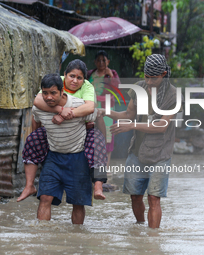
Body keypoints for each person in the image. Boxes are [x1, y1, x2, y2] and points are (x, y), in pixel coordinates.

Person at [100, 54, 178, 228]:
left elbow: (161, 126)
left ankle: (152, 239)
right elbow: (128, 115)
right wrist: (104, 111)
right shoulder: (138, 88)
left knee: (153, 197)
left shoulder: (173, 95)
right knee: (135, 196)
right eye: (146, 77)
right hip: (137, 151)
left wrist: (132, 126)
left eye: (153, 78)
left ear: (164, 74)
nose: (149, 82)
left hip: (160, 154)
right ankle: (140, 228)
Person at [17, 59, 107, 202]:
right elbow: (38, 101)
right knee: (33, 139)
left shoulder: (87, 87)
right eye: (72, 76)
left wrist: (65, 116)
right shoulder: (55, 82)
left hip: (82, 126)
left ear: (84, 80)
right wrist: (61, 110)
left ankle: (98, 185)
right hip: (55, 130)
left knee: (97, 141)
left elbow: (90, 108)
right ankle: (29, 186)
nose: (75, 81)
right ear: (64, 75)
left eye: (79, 78)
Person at [34, 73, 96, 224]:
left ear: (62, 92)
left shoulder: (80, 105)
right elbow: (36, 124)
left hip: (77, 157)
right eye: (45, 93)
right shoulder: (38, 108)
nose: (48, 97)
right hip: (53, 157)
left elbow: (93, 121)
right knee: (45, 198)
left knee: (78, 202)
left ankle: (77, 238)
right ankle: (41, 237)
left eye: (53, 93)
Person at [87, 50, 121, 167]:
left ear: (108, 61)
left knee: (108, 136)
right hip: (92, 107)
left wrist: (110, 76)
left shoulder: (112, 74)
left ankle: (106, 166)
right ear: (95, 62)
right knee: (93, 133)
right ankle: (95, 164)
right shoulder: (90, 74)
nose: (101, 62)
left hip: (107, 107)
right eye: (99, 60)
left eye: (104, 60)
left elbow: (116, 89)